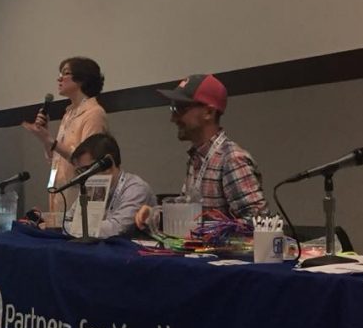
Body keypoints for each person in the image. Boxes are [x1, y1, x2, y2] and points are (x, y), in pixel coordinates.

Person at [135, 74, 268, 229]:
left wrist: (207, 229)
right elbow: (190, 213)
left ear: (208, 113)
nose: (173, 118)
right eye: (172, 107)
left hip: (222, 246)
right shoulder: (197, 158)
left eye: (180, 108)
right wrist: (155, 215)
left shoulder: (231, 159)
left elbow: (259, 222)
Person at [23, 57, 108, 213]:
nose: (59, 78)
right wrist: (45, 138)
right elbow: (54, 158)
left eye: (66, 73)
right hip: (59, 193)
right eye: (60, 74)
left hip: (81, 199)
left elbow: (88, 162)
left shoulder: (94, 113)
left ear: (82, 79)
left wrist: (50, 140)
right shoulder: (68, 114)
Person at [70, 133, 156, 238]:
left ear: (108, 164)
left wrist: (74, 228)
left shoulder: (136, 188)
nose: (83, 177)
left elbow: (115, 229)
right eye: (80, 172)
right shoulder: (91, 188)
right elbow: (68, 219)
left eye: (86, 170)